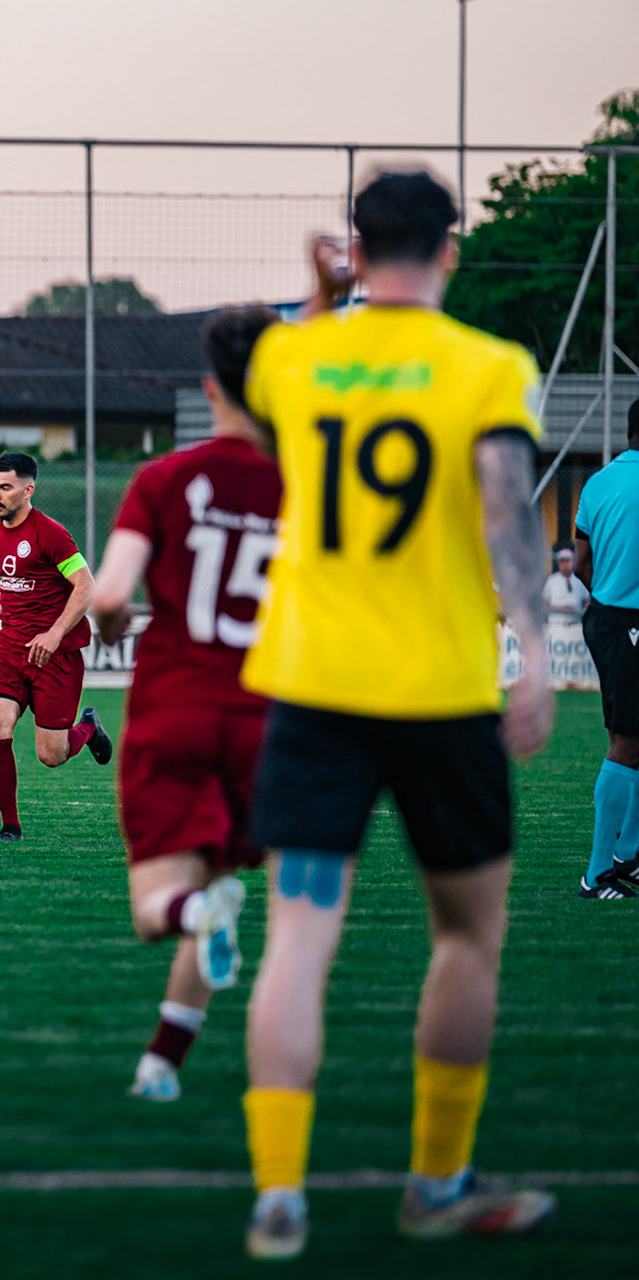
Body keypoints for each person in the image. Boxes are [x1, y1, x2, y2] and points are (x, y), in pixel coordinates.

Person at [237, 171, 556, 1260]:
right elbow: (508, 511)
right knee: (468, 935)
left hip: (317, 691)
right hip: (441, 693)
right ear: (452, 250)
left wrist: (321, 296)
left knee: (297, 939)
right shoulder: (488, 367)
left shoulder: (294, 356)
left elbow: (306, 357)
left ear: (357, 248)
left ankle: (279, 1194)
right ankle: (436, 1180)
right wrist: (540, 649)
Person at [91, 307, 283, 1104]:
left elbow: (107, 596)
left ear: (210, 390)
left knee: (160, 909)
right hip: (265, 723)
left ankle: (196, 917)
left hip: (174, 708)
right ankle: (162, 1064)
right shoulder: (306, 488)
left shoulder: (165, 479)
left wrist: (111, 624)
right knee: (218, 886)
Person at [0, 450, 113, 843]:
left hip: (55, 657)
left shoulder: (50, 533)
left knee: (52, 755)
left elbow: (86, 586)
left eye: (6, 488)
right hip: (11, 652)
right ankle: (10, 826)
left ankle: (88, 727)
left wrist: (55, 633)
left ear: (28, 490)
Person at [574, 396, 639, 898]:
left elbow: (581, 562)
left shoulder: (598, 482)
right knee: (628, 741)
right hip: (629, 623)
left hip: (607, 617)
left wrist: (607, 600)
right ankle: (597, 874)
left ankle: (629, 856)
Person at [542, 547, 590, 621]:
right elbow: (545, 603)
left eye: (567, 561)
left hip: (576, 624)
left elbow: (586, 601)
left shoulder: (579, 580)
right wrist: (562, 609)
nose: (565, 565)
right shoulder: (551, 580)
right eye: (562, 562)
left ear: (573, 562)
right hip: (556, 625)